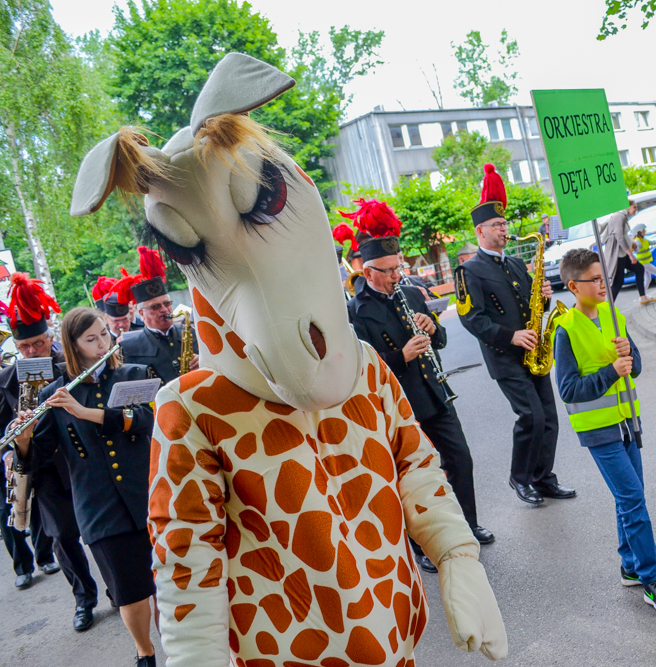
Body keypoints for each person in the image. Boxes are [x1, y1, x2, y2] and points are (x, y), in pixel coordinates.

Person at [73, 53, 505, 667]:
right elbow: (187, 563)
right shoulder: (190, 410)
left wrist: (459, 556)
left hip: (396, 636)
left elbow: (415, 464)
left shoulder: (363, 365)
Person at [345, 199, 493, 575]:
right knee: (412, 478)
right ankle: (424, 544)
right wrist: (402, 356)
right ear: (369, 271)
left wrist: (433, 328)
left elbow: (440, 340)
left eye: (399, 268)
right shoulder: (354, 310)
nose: (398, 275)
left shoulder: (411, 294)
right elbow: (361, 365)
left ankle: (466, 526)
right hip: (398, 405)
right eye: (390, 270)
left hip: (434, 392)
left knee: (459, 459)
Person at [10, 307, 157, 665]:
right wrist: (24, 438)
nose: (101, 343)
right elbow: (38, 457)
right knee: (130, 592)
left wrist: (83, 412)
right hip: (98, 506)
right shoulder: (55, 394)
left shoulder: (132, 375)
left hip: (149, 496)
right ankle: (145, 653)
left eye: (103, 335)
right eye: (91, 339)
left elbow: (145, 420)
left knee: (170, 584)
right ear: (72, 346)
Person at [554, 248, 656, 613]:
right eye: (593, 279)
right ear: (573, 286)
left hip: (628, 422)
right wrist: (612, 371)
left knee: (630, 496)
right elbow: (568, 389)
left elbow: (635, 366)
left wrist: (629, 355)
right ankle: (651, 578)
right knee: (632, 500)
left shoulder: (613, 314)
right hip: (598, 429)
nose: (602, 284)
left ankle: (629, 564)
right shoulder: (566, 330)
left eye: (602, 277)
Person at [456, 163, 575, 506]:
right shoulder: (468, 270)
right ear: (481, 231)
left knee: (549, 419)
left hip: (534, 351)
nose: (504, 229)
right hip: (506, 356)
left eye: (505, 223)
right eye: (497, 225)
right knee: (531, 417)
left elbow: (528, 302)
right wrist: (510, 336)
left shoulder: (514, 265)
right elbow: (472, 319)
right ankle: (520, 479)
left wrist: (543, 297)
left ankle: (543, 477)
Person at [0, 275, 98, 629]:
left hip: (80, 460)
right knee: (63, 537)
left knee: (100, 531)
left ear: (50, 337)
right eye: (24, 347)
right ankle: (84, 600)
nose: (31, 352)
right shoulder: (6, 379)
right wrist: (16, 430)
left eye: (38, 343)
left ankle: (118, 589)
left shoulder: (72, 363)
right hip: (42, 467)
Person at [117, 246, 199, 385]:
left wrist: (203, 360)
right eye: (155, 307)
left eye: (167, 303)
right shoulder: (128, 348)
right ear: (141, 312)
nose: (164, 310)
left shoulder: (192, 332)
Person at [604, 200, 652, 303]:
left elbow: (623, 235)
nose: (636, 210)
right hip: (618, 254)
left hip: (622, 253)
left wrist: (631, 243)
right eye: (634, 207)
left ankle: (643, 297)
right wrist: (631, 255)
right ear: (628, 207)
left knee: (639, 269)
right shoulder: (619, 217)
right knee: (617, 282)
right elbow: (619, 237)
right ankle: (608, 308)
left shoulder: (623, 217)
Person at [631, 223, 656, 299]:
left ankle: (642, 296)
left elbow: (653, 242)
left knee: (648, 279)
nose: (645, 231)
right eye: (643, 230)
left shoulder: (644, 240)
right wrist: (635, 247)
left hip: (645, 262)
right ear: (639, 232)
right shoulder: (638, 241)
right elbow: (636, 249)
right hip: (643, 263)